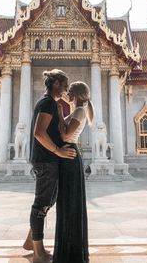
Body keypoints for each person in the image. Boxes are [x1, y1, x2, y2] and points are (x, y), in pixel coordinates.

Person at [23, 69, 77, 263]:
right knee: (42, 203)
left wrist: (74, 109)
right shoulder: (47, 103)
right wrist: (58, 151)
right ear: (56, 84)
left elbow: (62, 130)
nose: (66, 88)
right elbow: (39, 132)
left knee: (50, 199)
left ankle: (31, 240)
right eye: (64, 84)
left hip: (48, 159)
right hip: (46, 159)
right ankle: (38, 253)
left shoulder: (52, 104)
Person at [53, 81, 94, 263]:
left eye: (69, 92)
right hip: (67, 156)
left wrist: (59, 114)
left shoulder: (79, 111)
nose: (66, 95)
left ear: (75, 94)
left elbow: (66, 135)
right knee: (67, 202)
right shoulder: (76, 110)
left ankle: (72, 251)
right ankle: (68, 248)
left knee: (71, 202)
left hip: (69, 155)